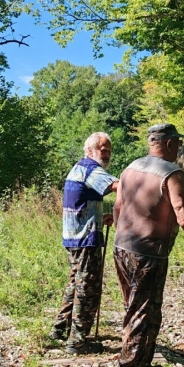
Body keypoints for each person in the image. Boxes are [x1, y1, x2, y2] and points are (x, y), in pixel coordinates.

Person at [112, 123, 184, 367]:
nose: (179, 148)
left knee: (136, 309)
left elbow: (118, 207)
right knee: (143, 314)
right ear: (169, 144)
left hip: (122, 248)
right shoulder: (171, 173)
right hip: (148, 253)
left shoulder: (130, 168)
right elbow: (183, 216)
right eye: (177, 144)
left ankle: (140, 365)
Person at [51, 132, 119, 355]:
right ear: (90, 150)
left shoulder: (80, 167)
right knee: (87, 288)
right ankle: (77, 341)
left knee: (75, 283)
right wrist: (141, 181)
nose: (106, 153)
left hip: (75, 235)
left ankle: (60, 330)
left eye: (108, 149)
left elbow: (84, 202)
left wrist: (102, 217)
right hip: (84, 238)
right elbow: (117, 186)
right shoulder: (91, 168)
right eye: (102, 149)